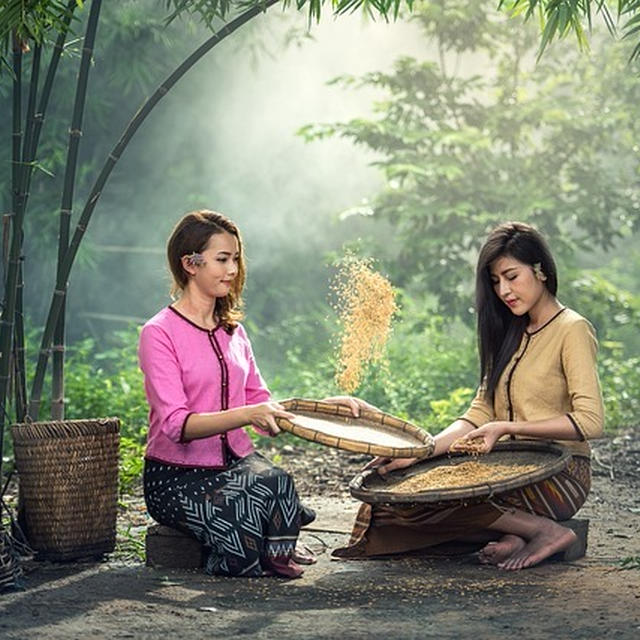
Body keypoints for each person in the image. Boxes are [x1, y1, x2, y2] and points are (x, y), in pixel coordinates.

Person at [334, 221, 604, 570]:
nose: (504, 290)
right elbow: (479, 413)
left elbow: (591, 420)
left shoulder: (573, 329)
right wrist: (419, 452)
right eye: (495, 282)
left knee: (437, 505)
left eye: (511, 276)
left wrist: (503, 428)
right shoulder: (510, 331)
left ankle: (545, 531)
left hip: (559, 474)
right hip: (500, 470)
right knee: (390, 504)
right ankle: (513, 535)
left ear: (540, 270)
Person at [139, 209, 365, 578]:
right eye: (222, 259)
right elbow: (176, 426)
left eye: (236, 258)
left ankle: (272, 540)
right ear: (190, 263)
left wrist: (320, 409)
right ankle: (261, 539)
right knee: (242, 547)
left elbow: (260, 401)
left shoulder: (233, 331)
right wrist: (247, 415)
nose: (232, 269)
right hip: (177, 477)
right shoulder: (159, 333)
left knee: (277, 483)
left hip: (237, 465)